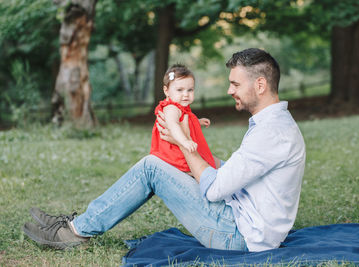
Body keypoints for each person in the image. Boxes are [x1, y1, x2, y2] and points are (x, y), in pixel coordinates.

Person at [23, 48, 306, 252]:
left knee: (152, 166)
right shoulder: (272, 124)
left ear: (260, 84)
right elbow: (235, 172)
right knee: (166, 163)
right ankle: (78, 224)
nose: (230, 90)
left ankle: (74, 232)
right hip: (243, 217)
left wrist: (180, 140)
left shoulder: (271, 132)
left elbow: (214, 189)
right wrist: (183, 143)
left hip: (239, 235)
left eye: (235, 83)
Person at [150, 64, 216, 173]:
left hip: (178, 148)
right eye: (180, 90)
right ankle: (190, 173)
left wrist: (197, 122)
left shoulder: (180, 107)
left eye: (190, 90)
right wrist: (184, 141)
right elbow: (173, 125)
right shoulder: (171, 108)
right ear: (166, 91)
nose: (185, 94)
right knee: (187, 165)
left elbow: (182, 122)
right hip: (172, 154)